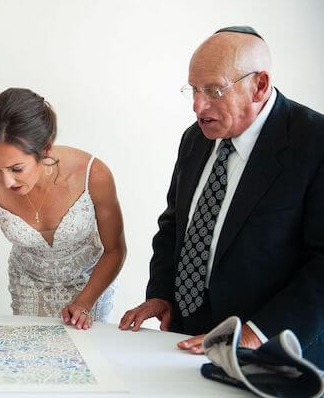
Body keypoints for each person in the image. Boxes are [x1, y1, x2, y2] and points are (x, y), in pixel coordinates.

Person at [119, 26, 324, 368]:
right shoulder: (195, 138)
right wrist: (162, 294)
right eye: (194, 89)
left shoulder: (314, 143)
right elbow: (175, 225)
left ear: (259, 85)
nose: (199, 105)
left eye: (214, 90)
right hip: (186, 343)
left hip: (272, 353)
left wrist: (254, 334)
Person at [0, 88, 126, 336]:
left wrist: (85, 302)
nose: (6, 182)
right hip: (29, 289)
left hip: (91, 288)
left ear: (46, 150)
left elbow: (115, 250)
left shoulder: (93, 174)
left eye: (17, 168)